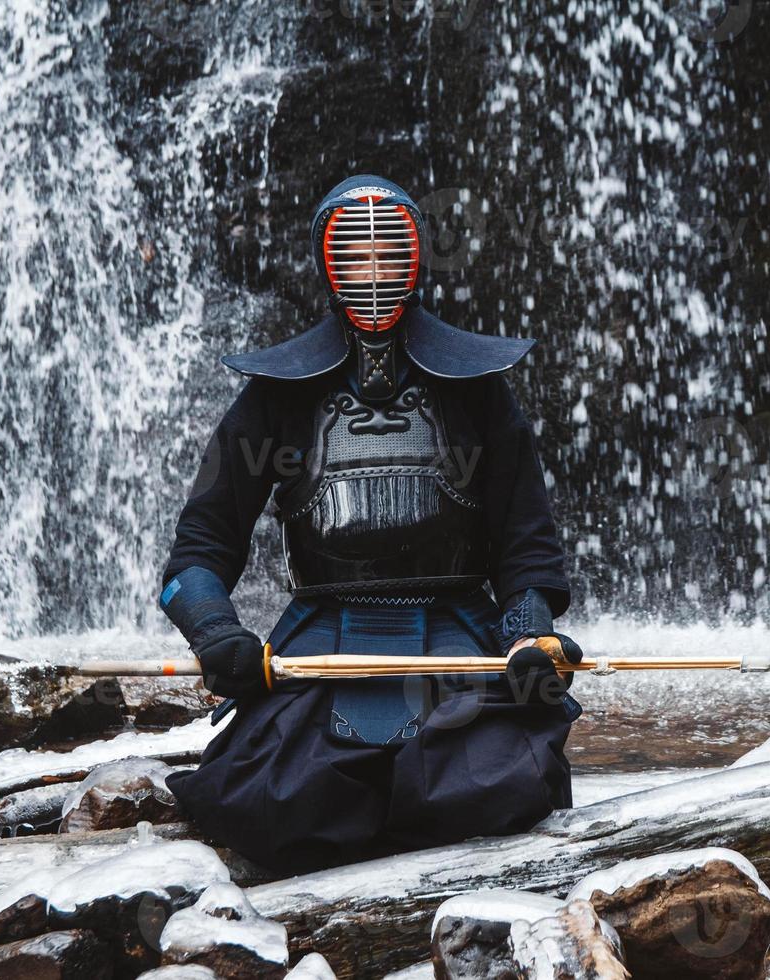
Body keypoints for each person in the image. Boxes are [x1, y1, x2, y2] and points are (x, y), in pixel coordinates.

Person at [157, 174, 582, 875]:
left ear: (415, 262)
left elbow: (526, 546)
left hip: (457, 632)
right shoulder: (274, 396)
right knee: (269, 800)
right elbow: (196, 555)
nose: (375, 275)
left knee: (506, 782)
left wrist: (526, 635)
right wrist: (218, 635)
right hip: (323, 637)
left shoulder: (478, 388)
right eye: (358, 258)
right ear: (330, 265)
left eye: (391, 257)